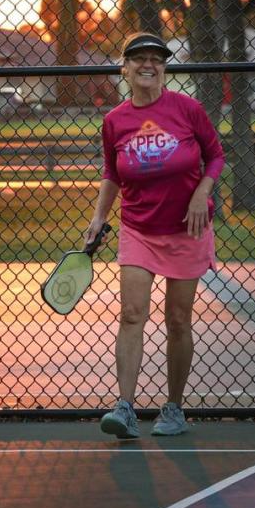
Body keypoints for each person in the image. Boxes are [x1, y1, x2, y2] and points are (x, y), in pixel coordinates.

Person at [86, 32, 225, 438]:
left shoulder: (188, 108)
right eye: (140, 58)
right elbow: (112, 172)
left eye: (157, 59)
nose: (149, 64)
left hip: (188, 229)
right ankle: (125, 409)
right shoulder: (114, 121)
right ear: (124, 68)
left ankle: (174, 408)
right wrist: (99, 216)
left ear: (164, 68)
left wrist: (202, 192)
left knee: (178, 320)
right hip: (138, 228)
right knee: (132, 314)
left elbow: (215, 154)